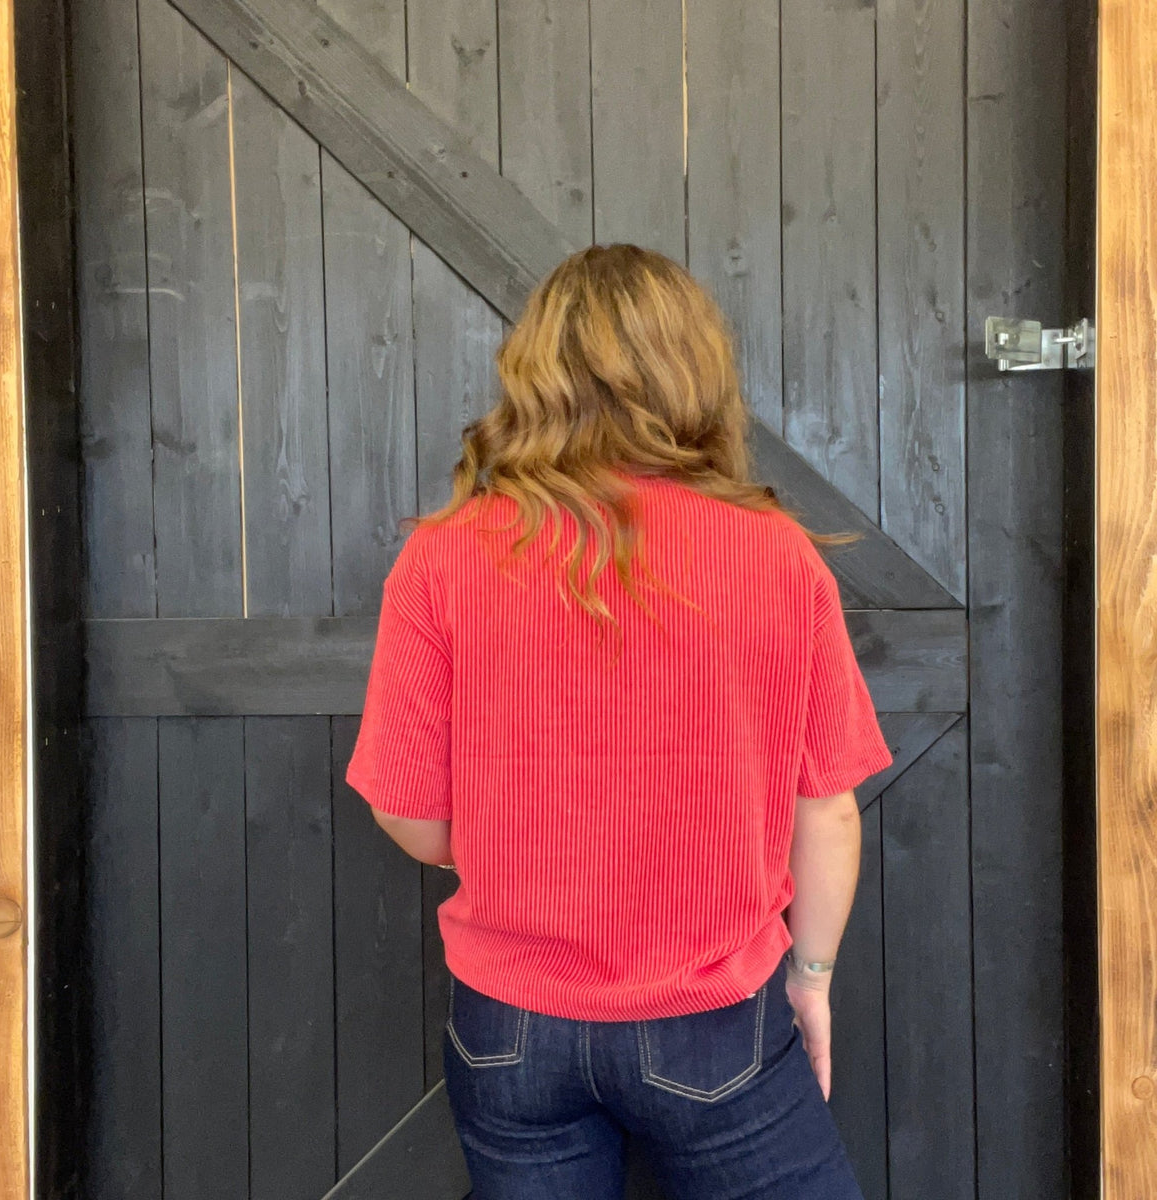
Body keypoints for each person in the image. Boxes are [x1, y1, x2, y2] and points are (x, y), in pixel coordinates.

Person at [346, 243, 893, 1199]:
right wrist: (808, 978)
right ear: (696, 374)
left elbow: (414, 820)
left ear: (534, 376)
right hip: (716, 1022)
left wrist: (534, 838)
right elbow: (830, 811)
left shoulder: (441, 560)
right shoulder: (775, 556)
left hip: (510, 1029)